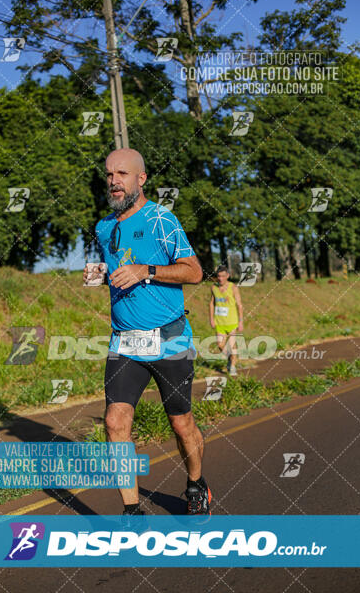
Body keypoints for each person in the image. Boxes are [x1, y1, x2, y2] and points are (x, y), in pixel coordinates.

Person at [83, 148, 212, 517]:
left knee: (181, 422)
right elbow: (114, 267)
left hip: (170, 338)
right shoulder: (104, 226)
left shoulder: (162, 220)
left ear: (141, 179)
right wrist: (100, 276)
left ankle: (195, 483)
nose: (113, 181)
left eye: (122, 174)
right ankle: (132, 510)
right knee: (115, 421)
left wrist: (147, 270)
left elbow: (193, 272)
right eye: (109, 174)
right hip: (125, 341)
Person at [210, 265, 243, 375]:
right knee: (220, 345)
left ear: (227, 276)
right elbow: (211, 304)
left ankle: (233, 367)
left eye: (223, 276)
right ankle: (230, 359)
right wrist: (211, 319)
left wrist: (241, 321)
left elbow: (239, 305)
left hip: (232, 322)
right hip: (219, 322)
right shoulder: (214, 288)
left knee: (232, 346)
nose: (220, 279)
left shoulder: (233, 287)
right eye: (219, 276)